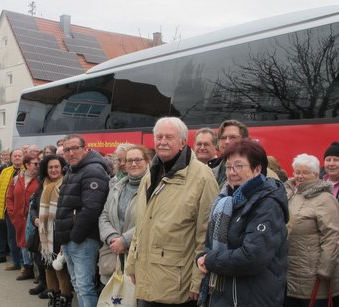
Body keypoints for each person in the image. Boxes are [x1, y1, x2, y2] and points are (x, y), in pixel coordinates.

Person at [125, 117, 219, 306]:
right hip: (147, 276)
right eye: (159, 137)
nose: (162, 141)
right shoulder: (151, 173)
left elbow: (206, 234)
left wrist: (197, 280)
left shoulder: (202, 177)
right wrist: (132, 264)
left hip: (178, 283)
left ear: (183, 142)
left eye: (169, 137)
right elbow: (142, 225)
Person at [196, 139, 289, 306]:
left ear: (257, 169)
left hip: (252, 298)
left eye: (239, 166)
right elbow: (211, 245)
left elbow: (252, 257)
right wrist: (202, 257)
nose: (232, 172)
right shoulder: (226, 201)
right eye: (229, 167)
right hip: (224, 295)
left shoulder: (268, 203)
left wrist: (210, 260)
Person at [55, 134, 110, 307]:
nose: (70, 153)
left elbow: (92, 209)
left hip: (83, 239)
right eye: (67, 150)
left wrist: (75, 236)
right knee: (78, 284)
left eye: (74, 148)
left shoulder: (92, 170)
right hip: (71, 238)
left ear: (85, 149)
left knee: (85, 286)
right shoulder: (74, 170)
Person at [284, 154, 339, 307]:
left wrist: (325, 270)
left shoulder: (325, 199)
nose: (300, 176)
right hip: (290, 273)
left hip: (314, 276)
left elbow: (332, 236)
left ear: (315, 174)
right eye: (297, 172)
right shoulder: (290, 195)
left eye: (305, 172)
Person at [99, 145, 151, 284]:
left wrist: (125, 240)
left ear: (147, 162)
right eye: (129, 160)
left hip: (139, 257)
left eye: (138, 160)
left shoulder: (154, 187)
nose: (133, 164)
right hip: (113, 255)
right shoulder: (117, 187)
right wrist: (112, 238)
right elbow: (104, 215)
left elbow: (151, 220)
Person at [37, 155, 73, 307]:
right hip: (45, 232)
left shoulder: (67, 183)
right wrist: (34, 218)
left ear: (62, 168)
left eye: (56, 167)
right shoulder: (43, 184)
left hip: (60, 231)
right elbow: (33, 205)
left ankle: (65, 298)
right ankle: (53, 296)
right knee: (48, 266)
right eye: (50, 167)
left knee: (59, 266)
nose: (53, 170)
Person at [212, 119, 279, 187]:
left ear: (245, 140)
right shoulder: (212, 172)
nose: (227, 141)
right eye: (223, 138)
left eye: (233, 137)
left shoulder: (265, 174)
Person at [6, 155, 40, 281]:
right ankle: (27, 268)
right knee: (23, 243)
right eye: (35, 163)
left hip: (33, 217)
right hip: (19, 217)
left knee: (34, 243)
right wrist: (12, 212)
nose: (37, 166)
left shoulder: (40, 179)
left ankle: (38, 271)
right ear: (27, 164)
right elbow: (9, 197)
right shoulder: (16, 179)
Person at [0, 149, 24, 269]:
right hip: (9, 210)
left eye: (19, 155)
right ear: (11, 158)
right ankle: (15, 261)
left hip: (23, 211)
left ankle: (24, 263)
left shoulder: (28, 171)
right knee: (12, 237)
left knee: (23, 238)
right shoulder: (5, 171)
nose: (17, 157)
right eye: (15, 156)